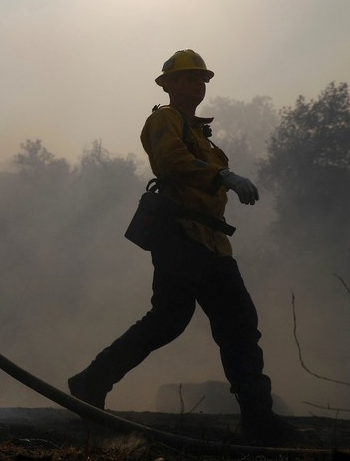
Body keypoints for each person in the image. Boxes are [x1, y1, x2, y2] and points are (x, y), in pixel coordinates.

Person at [67, 50, 295, 444]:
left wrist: (219, 173)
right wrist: (222, 175)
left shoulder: (199, 134)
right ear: (168, 85)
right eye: (188, 78)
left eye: (201, 79)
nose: (197, 85)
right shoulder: (165, 120)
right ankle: (93, 381)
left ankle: (259, 420)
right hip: (180, 236)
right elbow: (170, 161)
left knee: (229, 325)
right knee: (182, 320)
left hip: (212, 242)